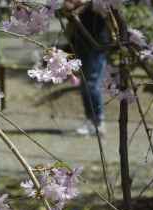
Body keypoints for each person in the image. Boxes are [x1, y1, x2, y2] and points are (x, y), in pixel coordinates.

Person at [64, 0, 109, 136]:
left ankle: (98, 121)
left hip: (96, 43)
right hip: (81, 41)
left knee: (92, 84)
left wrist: (79, 3)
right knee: (85, 85)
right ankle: (90, 120)